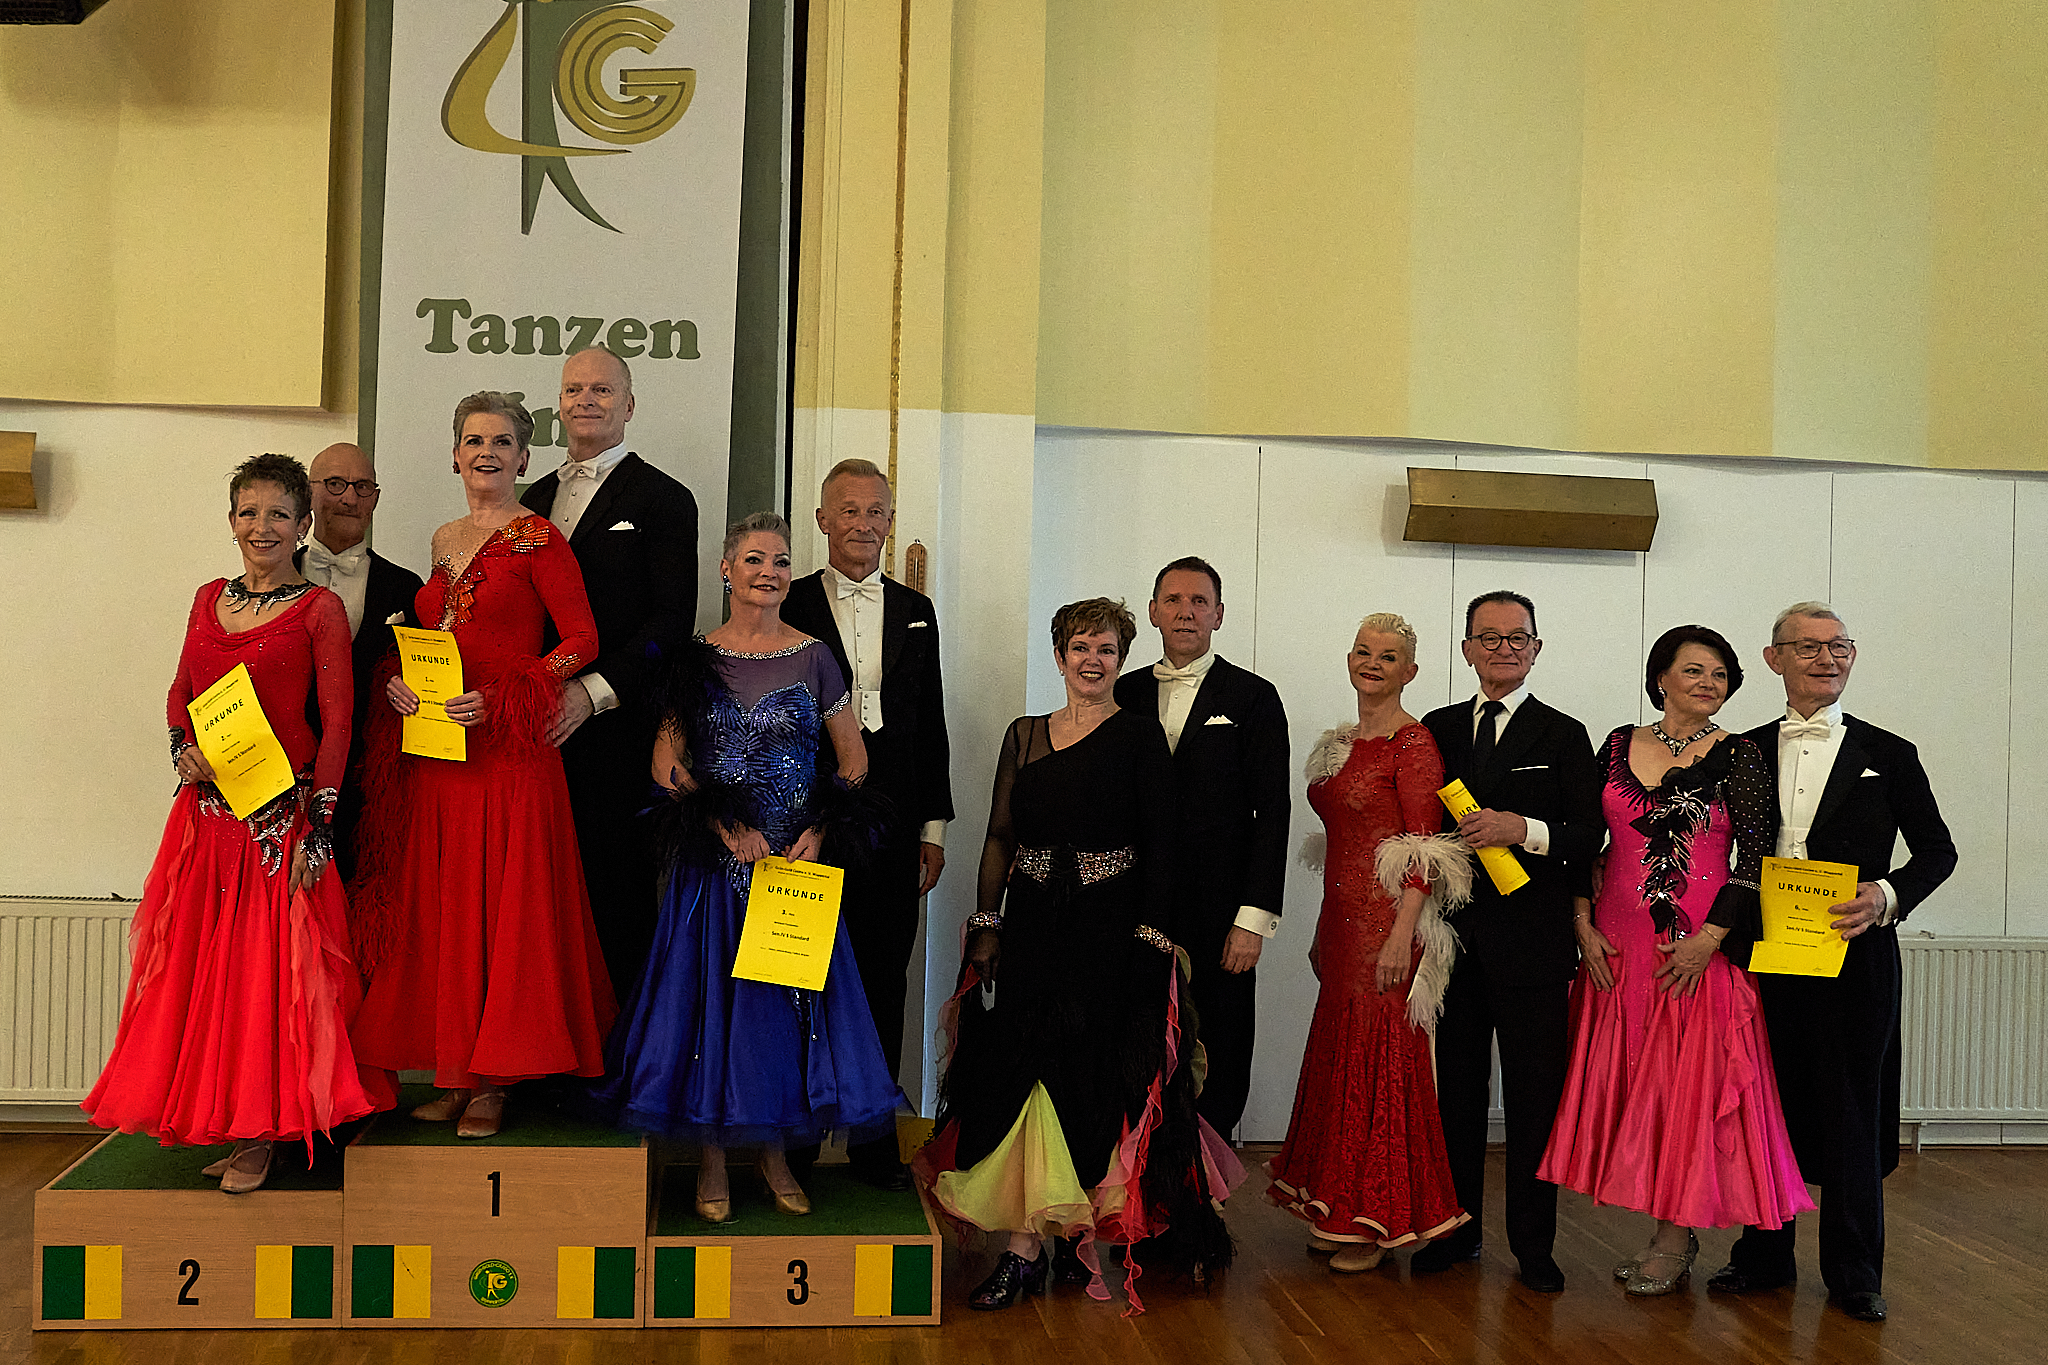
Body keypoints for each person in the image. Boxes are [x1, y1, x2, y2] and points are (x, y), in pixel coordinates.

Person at [918, 598, 1241, 1314]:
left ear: (1120, 660)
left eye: (1106, 650)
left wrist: (1151, 938)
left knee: (1084, 1080)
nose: (1092, 661)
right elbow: (999, 835)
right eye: (1080, 647)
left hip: (1108, 931)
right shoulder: (1024, 734)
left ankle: (1037, 1246)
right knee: (1022, 1074)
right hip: (1033, 925)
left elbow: (1162, 844)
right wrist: (987, 925)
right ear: (1059, 654)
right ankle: (1036, 1240)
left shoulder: (1138, 735)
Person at [84, 453, 392, 1192]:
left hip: (278, 826)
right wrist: (181, 749)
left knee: (265, 983)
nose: (263, 527)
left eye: (279, 514)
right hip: (207, 822)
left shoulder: (319, 609)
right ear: (231, 522)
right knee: (205, 979)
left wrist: (320, 826)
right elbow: (179, 694)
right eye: (250, 513)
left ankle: (262, 1132)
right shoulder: (204, 599)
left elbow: (340, 722)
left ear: (303, 525)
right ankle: (230, 1121)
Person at [588, 512, 901, 1222]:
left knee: (784, 1011)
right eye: (754, 559)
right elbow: (665, 763)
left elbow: (853, 759)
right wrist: (722, 824)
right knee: (712, 1011)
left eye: (781, 561)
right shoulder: (692, 658)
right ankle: (711, 1162)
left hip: (791, 868)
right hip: (716, 864)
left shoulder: (817, 657)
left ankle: (774, 1155)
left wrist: (822, 828)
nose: (769, 572)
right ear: (726, 569)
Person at [348, 392, 617, 1139]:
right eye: (474, 440)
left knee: (505, 912)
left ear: (524, 458)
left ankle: (498, 1080)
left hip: (509, 756)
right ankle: (457, 1073)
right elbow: (438, 639)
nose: (487, 452)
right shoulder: (443, 538)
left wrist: (509, 696)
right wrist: (399, 683)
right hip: (442, 755)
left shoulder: (539, 538)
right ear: (455, 456)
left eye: (502, 442)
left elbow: (582, 641)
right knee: (450, 913)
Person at [1537, 625, 1814, 1295]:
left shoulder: (1741, 754)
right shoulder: (1614, 744)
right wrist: (1581, 921)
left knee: (1685, 1092)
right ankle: (1665, 1230)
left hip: (1695, 952)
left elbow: (1756, 856)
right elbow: (1584, 840)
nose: (1707, 683)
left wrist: (1711, 939)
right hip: (1617, 946)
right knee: (1637, 1087)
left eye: (1719, 674)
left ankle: (1672, 1235)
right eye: (1693, 670)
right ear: (1660, 677)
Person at [1710, 603, 1956, 1323]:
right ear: (1774, 658)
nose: (1827, 658)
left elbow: (1937, 851)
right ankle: (1762, 1255)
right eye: (1810, 647)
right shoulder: (1742, 749)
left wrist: (1885, 895)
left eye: (1839, 646)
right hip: (1762, 951)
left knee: (1852, 1107)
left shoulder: (1891, 752)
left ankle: (1855, 1272)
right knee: (1766, 1104)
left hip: (1855, 954)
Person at [1267, 614, 1470, 1272]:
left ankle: (1377, 1218)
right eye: (1363, 651)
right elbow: (1343, 841)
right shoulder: (1341, 742)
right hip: (1341, 923)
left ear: (1410, 670)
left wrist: (1401, 934)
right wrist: (1323, 925)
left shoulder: (1415, 744)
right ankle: (1338, 1205)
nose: (1372, 663)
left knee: (1380, 1062)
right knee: (1341, 1058)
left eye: (1388, 656)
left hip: (1387, 927)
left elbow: (1424, 848)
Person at [1416, 591, 1602, 1292]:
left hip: (1534, 947)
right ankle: (1455, 1232)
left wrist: (1522, 829)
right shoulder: (1436, 728)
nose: (1503, 649)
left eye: (1516, 637)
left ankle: (1534, 1246)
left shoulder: (1563, 734)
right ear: (1467, 649)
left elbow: (1590, 836)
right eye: (1488, 638)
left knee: (1533, 1103)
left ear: (1536, 649)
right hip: (1454, 942)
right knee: (1456, 1099)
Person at [781, 459, 954, 1189]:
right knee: (799, 976)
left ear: (890, 521)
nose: (862, 524)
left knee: (885, 977)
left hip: (893, 824)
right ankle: (791, 1140)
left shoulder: (917, 609)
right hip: (805, 821)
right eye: (847, 510)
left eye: (875, 510)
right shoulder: (787, 599)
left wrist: (933, 827)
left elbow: (931, 720)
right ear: (822, 520)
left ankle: (874, 1138)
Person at [520, 345, 700, 991]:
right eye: (574, 390)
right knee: (539, 898)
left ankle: (619, 1047)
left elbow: (671, 622)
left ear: (629, 405)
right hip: (536, 733)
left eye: (601, 389)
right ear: (559, 405)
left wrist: (590, 694)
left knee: (616, 899)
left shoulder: (665, 498)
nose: (586, 400)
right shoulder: (532, 498)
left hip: (619, 733)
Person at [1112, 557, 1288, 1141]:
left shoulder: (1254, 697)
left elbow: (1273, 813)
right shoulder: (1122, 691)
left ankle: (1206, 1172)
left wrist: (1253, 920)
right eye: (1174, 600)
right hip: (1134, 903)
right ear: (1153, 611)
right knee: (1136, 1031)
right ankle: (1138, 1166)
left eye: (1199, 601)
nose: (1186, 612)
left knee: (1221, 1038)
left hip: (1221, 909)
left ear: (1219, 614)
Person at [293, 442, 424, 879]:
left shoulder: (407, 587)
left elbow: (422, 684)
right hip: (285, 779)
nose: (350, 498)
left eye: (362, 486)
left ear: (376, 498)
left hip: (368, 786)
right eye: (335, 484)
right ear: (308, 493)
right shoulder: (273, 576)